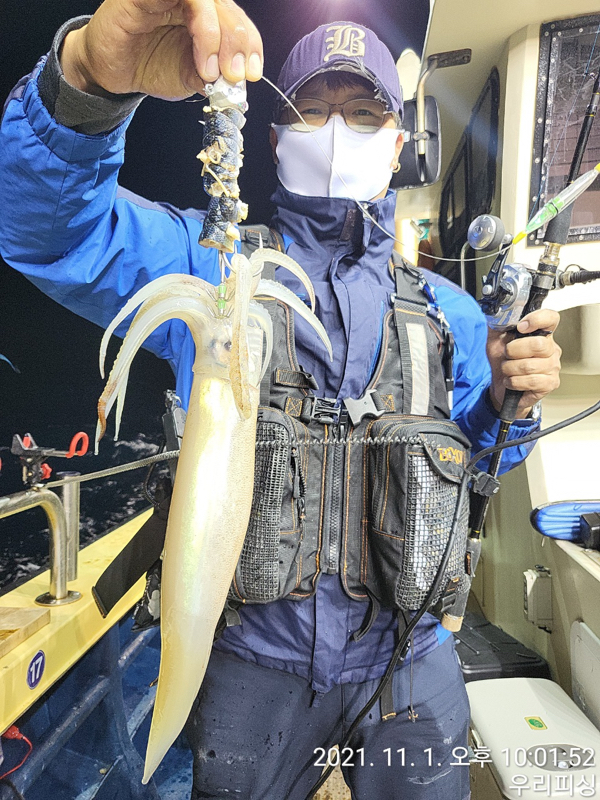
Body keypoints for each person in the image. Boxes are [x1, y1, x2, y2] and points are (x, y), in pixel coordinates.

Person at [0, 2, 561, 798]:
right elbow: (50, 234)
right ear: (273, 139)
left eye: (363, 114)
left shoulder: (451, 314)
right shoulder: (212, 271)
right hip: (253, 665)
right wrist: (88, 79)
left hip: (411, 662)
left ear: (397, 141)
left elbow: (473, 461)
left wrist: (512, 401)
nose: (336, 132)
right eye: (312, 112)